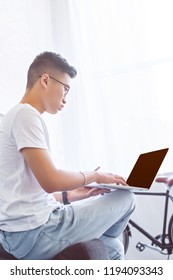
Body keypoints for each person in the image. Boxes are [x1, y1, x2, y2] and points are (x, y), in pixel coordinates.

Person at [0, 51, 135, 260]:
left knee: (114, 248)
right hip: (34, 233)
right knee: (126, 198)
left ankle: (98, 233)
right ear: (45, 80)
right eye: (65, 88)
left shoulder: (15, 117)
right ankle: (98, 231)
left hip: (28, 230)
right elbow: (50, 180)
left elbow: (25, 195)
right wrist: (96, 176)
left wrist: (72, 195)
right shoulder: (25, 115)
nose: (65, 98)